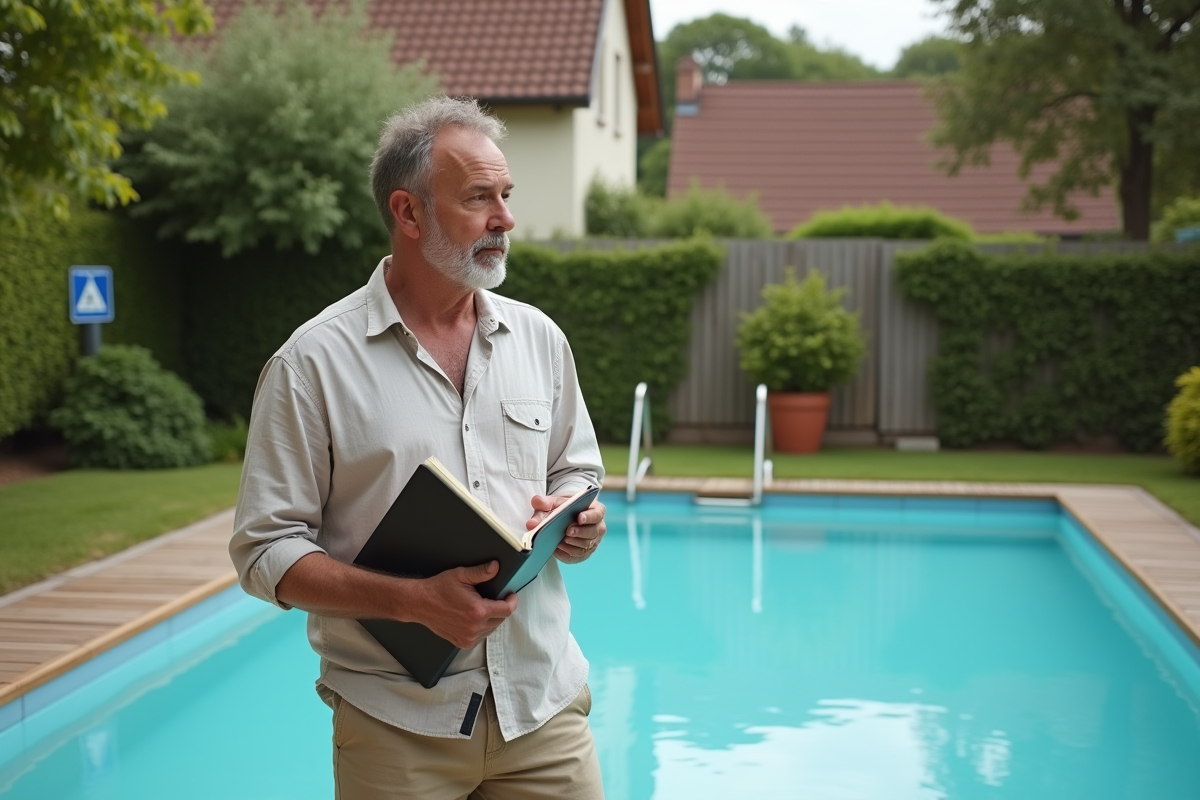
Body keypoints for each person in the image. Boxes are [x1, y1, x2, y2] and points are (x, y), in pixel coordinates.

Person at [229, 96, 608, 800]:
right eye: (478, 198)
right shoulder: (312, 363)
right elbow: (264, 552)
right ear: (408, 213)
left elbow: (576, 467)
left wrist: (578, 517)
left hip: (544, 711)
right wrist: (409, 602)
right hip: (395, 729)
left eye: (505, 195)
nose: (506, 219)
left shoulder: (541, 341)